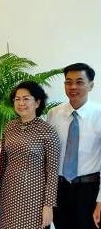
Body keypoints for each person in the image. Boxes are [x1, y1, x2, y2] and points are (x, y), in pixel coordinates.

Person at [0, 81, 60, 229]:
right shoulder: (9, 127)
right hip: (9, 191)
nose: (21, 103)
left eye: (26, 98)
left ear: (37, 102)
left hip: (34, 194)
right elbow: (3, 161)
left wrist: (48, 205)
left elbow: (52, 171)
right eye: (17, 99)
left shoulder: (47, 131)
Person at [47, 63, 101, 229]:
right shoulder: (53, 114)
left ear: (91, 85)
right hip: (60, 188)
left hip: (89, 189)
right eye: (68, 82)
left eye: (79, 82)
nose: (73, 86)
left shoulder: (99, 114)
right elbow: (49, 156)